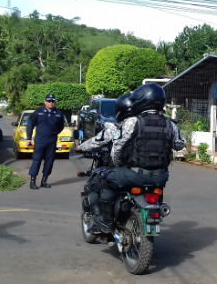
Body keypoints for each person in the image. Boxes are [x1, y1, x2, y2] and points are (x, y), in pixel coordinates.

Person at [78, 84, 185, 232]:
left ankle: (106, 222)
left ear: (142, 101)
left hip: (134, 174)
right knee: (155, 190)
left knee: (107, 180)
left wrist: (119, 163)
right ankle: (153, 219)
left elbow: (118, 146)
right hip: (161, 176)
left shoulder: (133, 122)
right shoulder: (170, 124)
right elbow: (179, 145)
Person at [75, 93, 131, 231]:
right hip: (145, 172)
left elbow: (97, 141)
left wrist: (80, 148)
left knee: (94, 186)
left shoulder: (116, 128)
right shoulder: (142, 125)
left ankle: (103, 222)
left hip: (120, 171)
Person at [27, 94, 65, 190]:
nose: (51, 103)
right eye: (49, 101)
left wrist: (54, 133)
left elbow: (61, 126)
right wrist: (29, 137)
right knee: (37, 160)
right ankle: (32, 181)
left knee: (49, 161)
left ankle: (44, 181)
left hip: (51, 141)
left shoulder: (58, 113)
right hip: (40, 141)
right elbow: (30, 124)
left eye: (52, 101)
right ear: (45, 102)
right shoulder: (38, 112)